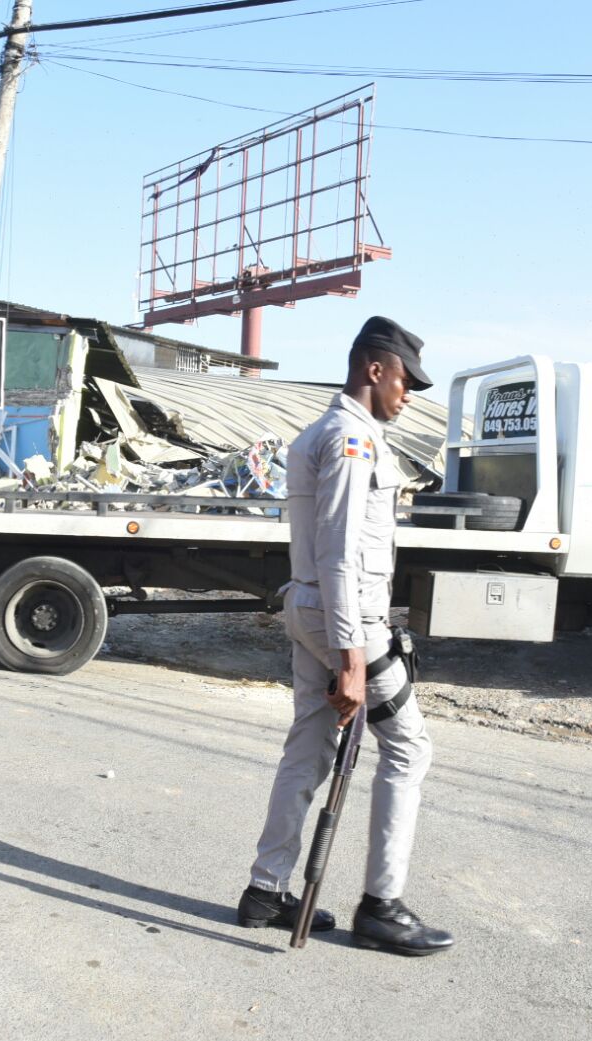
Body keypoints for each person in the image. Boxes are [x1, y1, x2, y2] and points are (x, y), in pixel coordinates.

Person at [238, 315, 454, 958]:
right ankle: (382, 907)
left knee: (309, 746)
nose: (407, 395)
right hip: (344, 616)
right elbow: (338, 555)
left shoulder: (324, 432)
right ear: (375, 368)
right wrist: (354, 658)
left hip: (317, 609)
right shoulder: (349, 440)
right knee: (410, 749)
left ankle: (266, 892)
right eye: (406, 382)